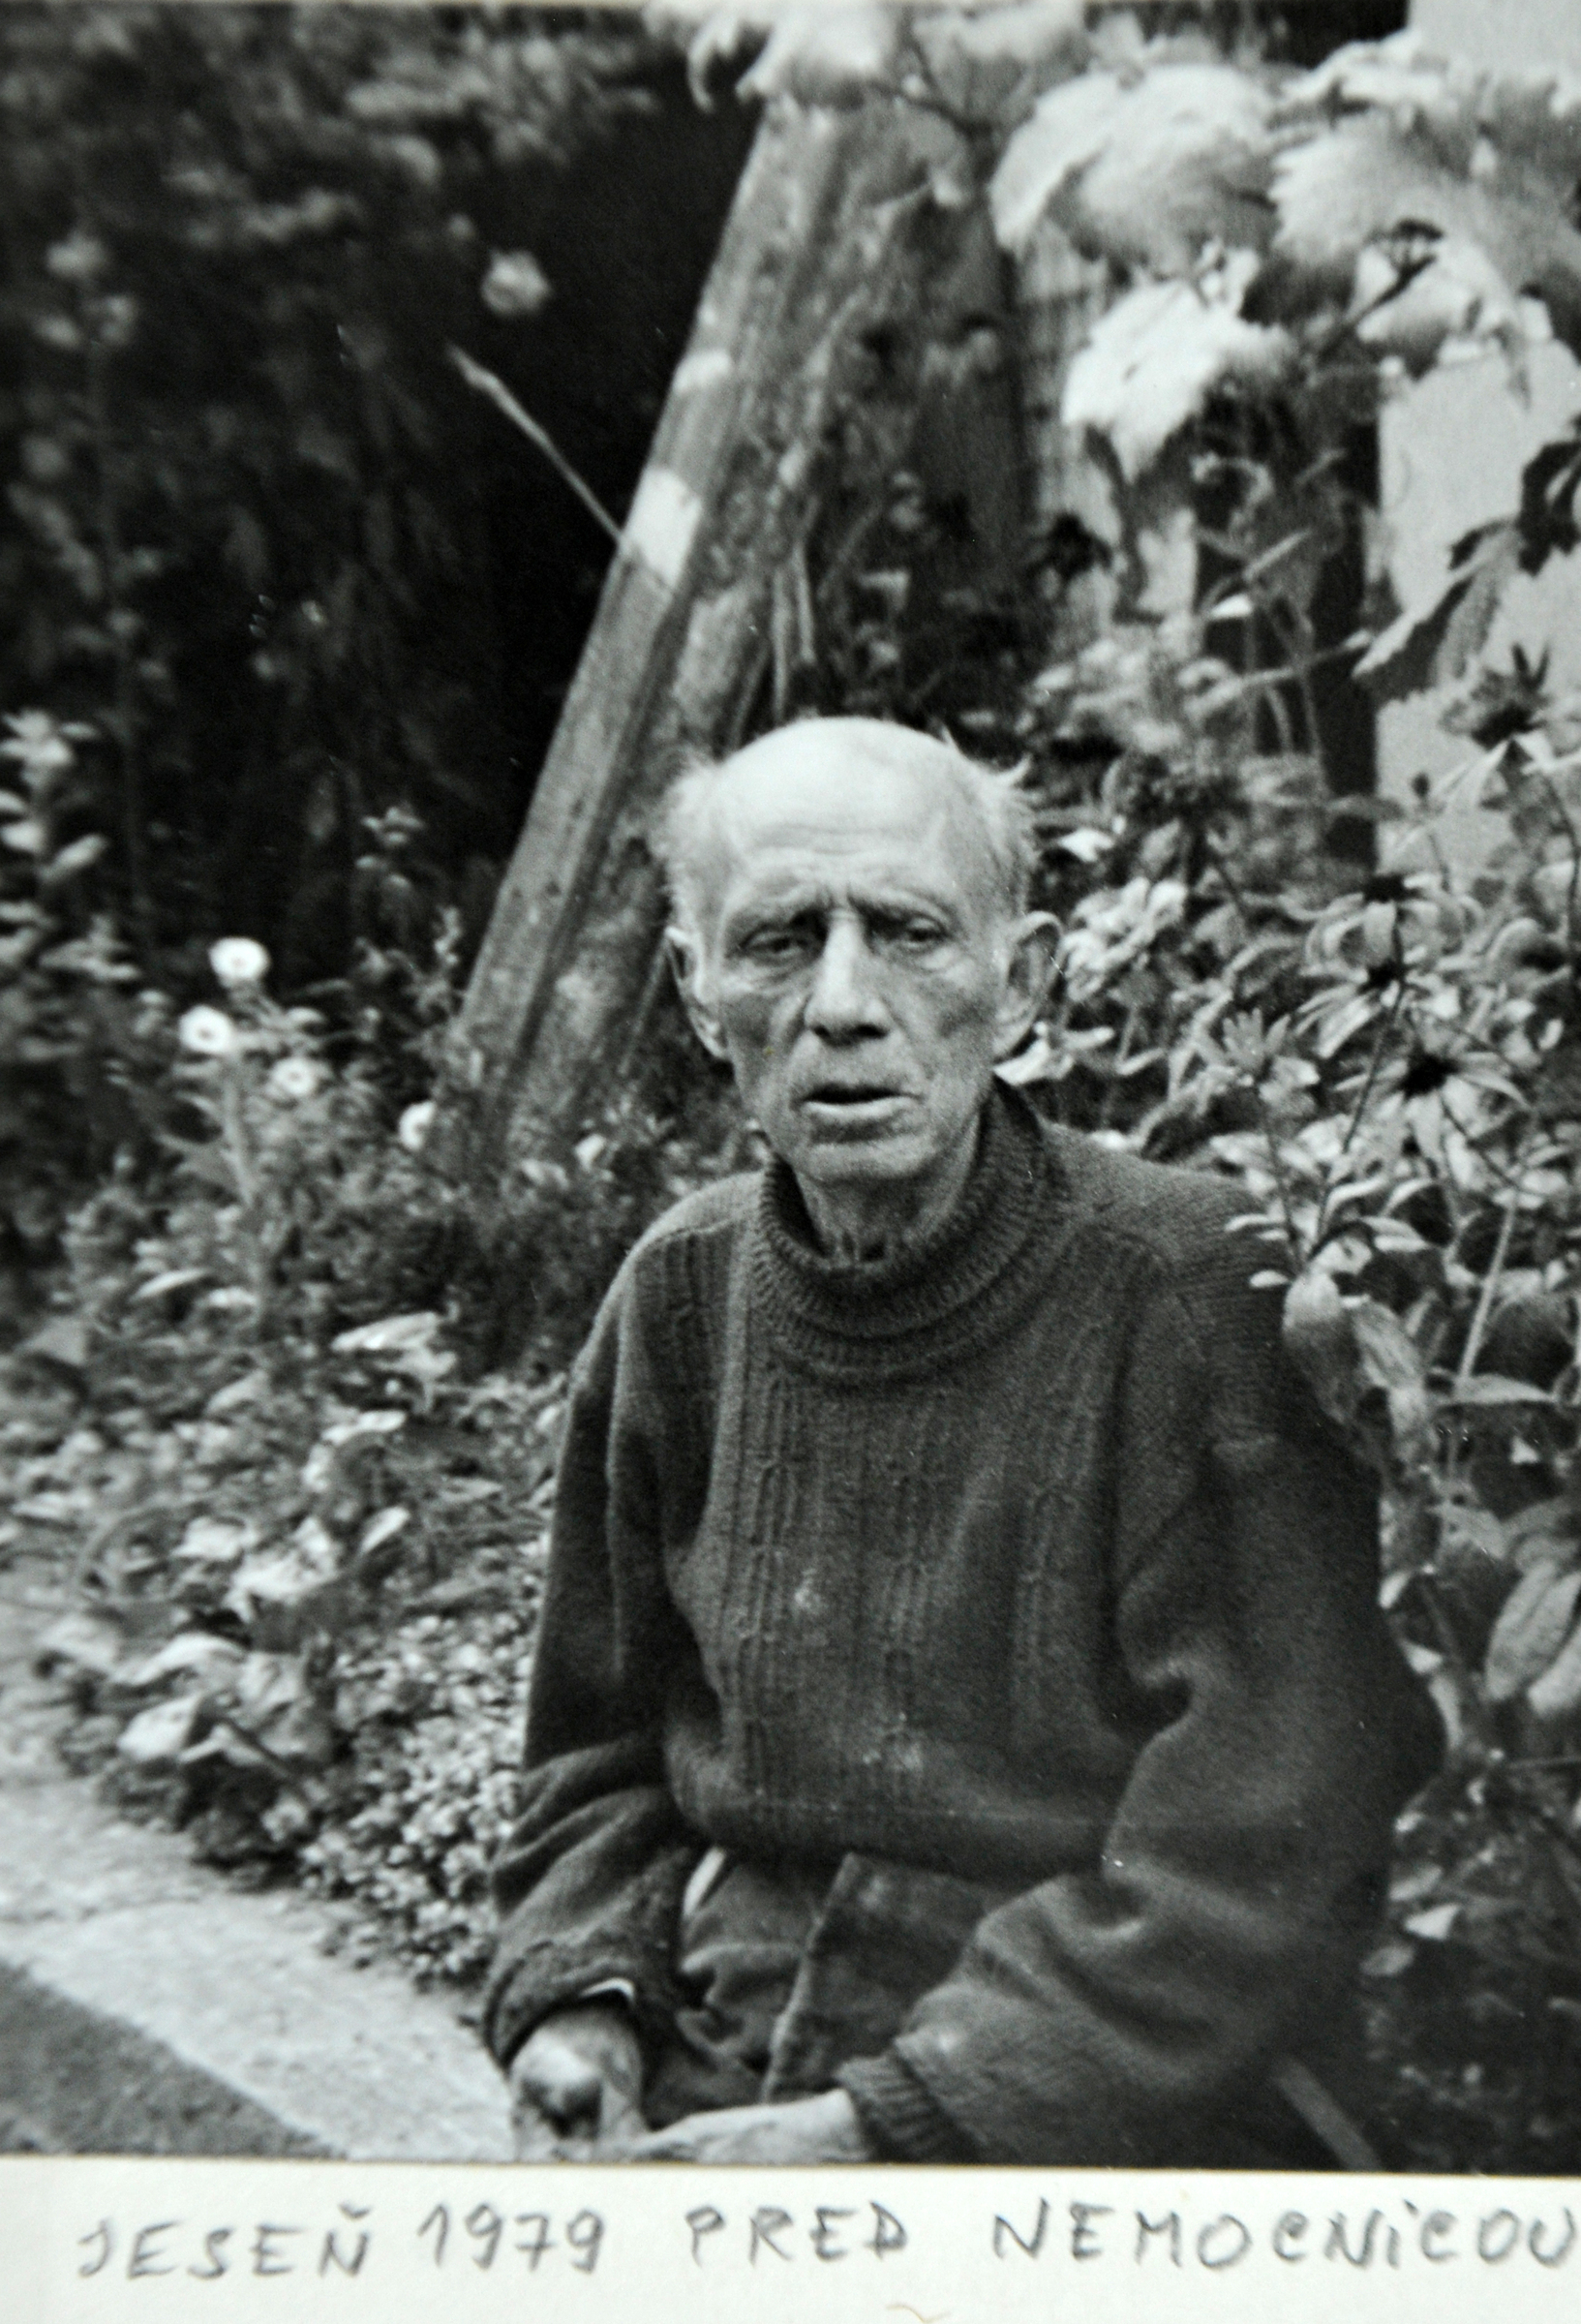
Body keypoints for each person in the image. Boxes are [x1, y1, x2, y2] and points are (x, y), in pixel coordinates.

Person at [483, 716, 1438, 2166]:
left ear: (1024, 978)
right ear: (695, 992)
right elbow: (592, 1757)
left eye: (909, 934)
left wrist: (887, 2128)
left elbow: (1267, 1841)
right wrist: (583, 2009)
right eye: (779, 941)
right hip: (741, 2038)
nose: (843, 1004)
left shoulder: (1190, 1293)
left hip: (1108, 2089)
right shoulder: (678, 1295)